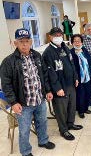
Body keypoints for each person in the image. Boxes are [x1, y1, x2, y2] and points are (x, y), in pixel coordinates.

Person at [0, 28, 55, 156]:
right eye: (21, 41)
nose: (24, 44)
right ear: (15, 43)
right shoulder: (8, 62)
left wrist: (47, 91)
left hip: (39, 99)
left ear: (31, 42)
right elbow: (6, 85)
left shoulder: (37, 55)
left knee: (42, 122)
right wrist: (13, 102)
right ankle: (25, 151)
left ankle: (43, 140)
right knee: (24, 130)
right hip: (23, 104)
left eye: (27, 41)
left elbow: (44, 75)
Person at [43, 27, 83, 141]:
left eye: (60, 35)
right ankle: (64, 129)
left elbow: (72, 64)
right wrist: (57, 88)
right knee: (61, 110)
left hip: (70, 83)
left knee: (71, 106)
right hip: (60, 86)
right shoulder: (48, 53)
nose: (58, 37)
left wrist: (75, 77)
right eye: (55, 35)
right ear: (50, 37)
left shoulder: (65, 47)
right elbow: (49, 73)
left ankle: (70, 123)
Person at [70, 34, 91, 119]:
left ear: (81, 42)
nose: (77, 43)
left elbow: (89, 63)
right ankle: (80, 111)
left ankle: (86, 108)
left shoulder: (84, 50)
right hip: (78, 78)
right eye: (75, 41)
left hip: (87, 76)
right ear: (72, 43)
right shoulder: (71, 53)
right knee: (80, 94)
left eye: (78, 41)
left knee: (88, 93)